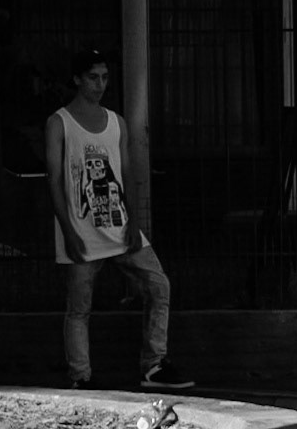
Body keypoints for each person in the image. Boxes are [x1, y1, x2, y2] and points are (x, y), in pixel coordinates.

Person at [47, 49, 194, 391]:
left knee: (159, 285)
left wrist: (134, 223)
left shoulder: (116, 122)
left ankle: (154, 364)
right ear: (77, 79)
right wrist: (68, 230)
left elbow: (126, 173)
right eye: (93, 77)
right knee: (79, 307)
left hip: (120, 224)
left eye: (105, 77)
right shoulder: (60, 123)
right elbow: (53, 180)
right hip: (82, 230)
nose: (100, 85)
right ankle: (80, 376)